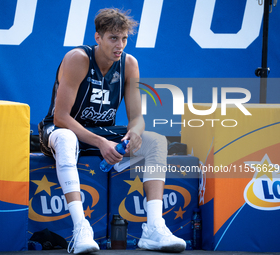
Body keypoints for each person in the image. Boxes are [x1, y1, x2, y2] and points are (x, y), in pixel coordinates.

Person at [38, 8, 186, 254]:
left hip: (101, 132)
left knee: (157, 141)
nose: (120, 45)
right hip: (63, 128)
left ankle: (154, 228)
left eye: (124, 39)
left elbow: (137, 117)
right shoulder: (78, 58)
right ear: (98, 38)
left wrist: (135, 132)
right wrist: (100, 143)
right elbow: (61, 117)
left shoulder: (129, 64)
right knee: (65, 138)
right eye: (113, 38)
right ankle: (81, 228)